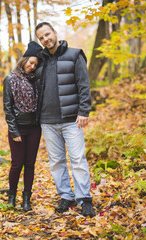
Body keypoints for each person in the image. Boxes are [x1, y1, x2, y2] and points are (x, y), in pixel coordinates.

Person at [35, 22, 95, 217]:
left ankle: (84, 199)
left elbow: (83, 85)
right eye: (41, 38)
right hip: (47, 121)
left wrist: (84, 111)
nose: (45, 39)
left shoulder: (75, 55)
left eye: (47, 34)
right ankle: (66, 197)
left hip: (72, 120)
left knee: (78, 159)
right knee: (56, 162)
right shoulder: (40, 61)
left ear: (55, 32)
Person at [3, 41, 43, 212]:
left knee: (30, 164)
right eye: (30, 62)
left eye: (36, 64)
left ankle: (26, 198)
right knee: (16, 163)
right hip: (18, 128)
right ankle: (11, 196)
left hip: (34, 128)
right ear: (24, 60)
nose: (32, 66)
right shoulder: (10, 79)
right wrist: (14, 130)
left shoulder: (37, 81)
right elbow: (7, 106)